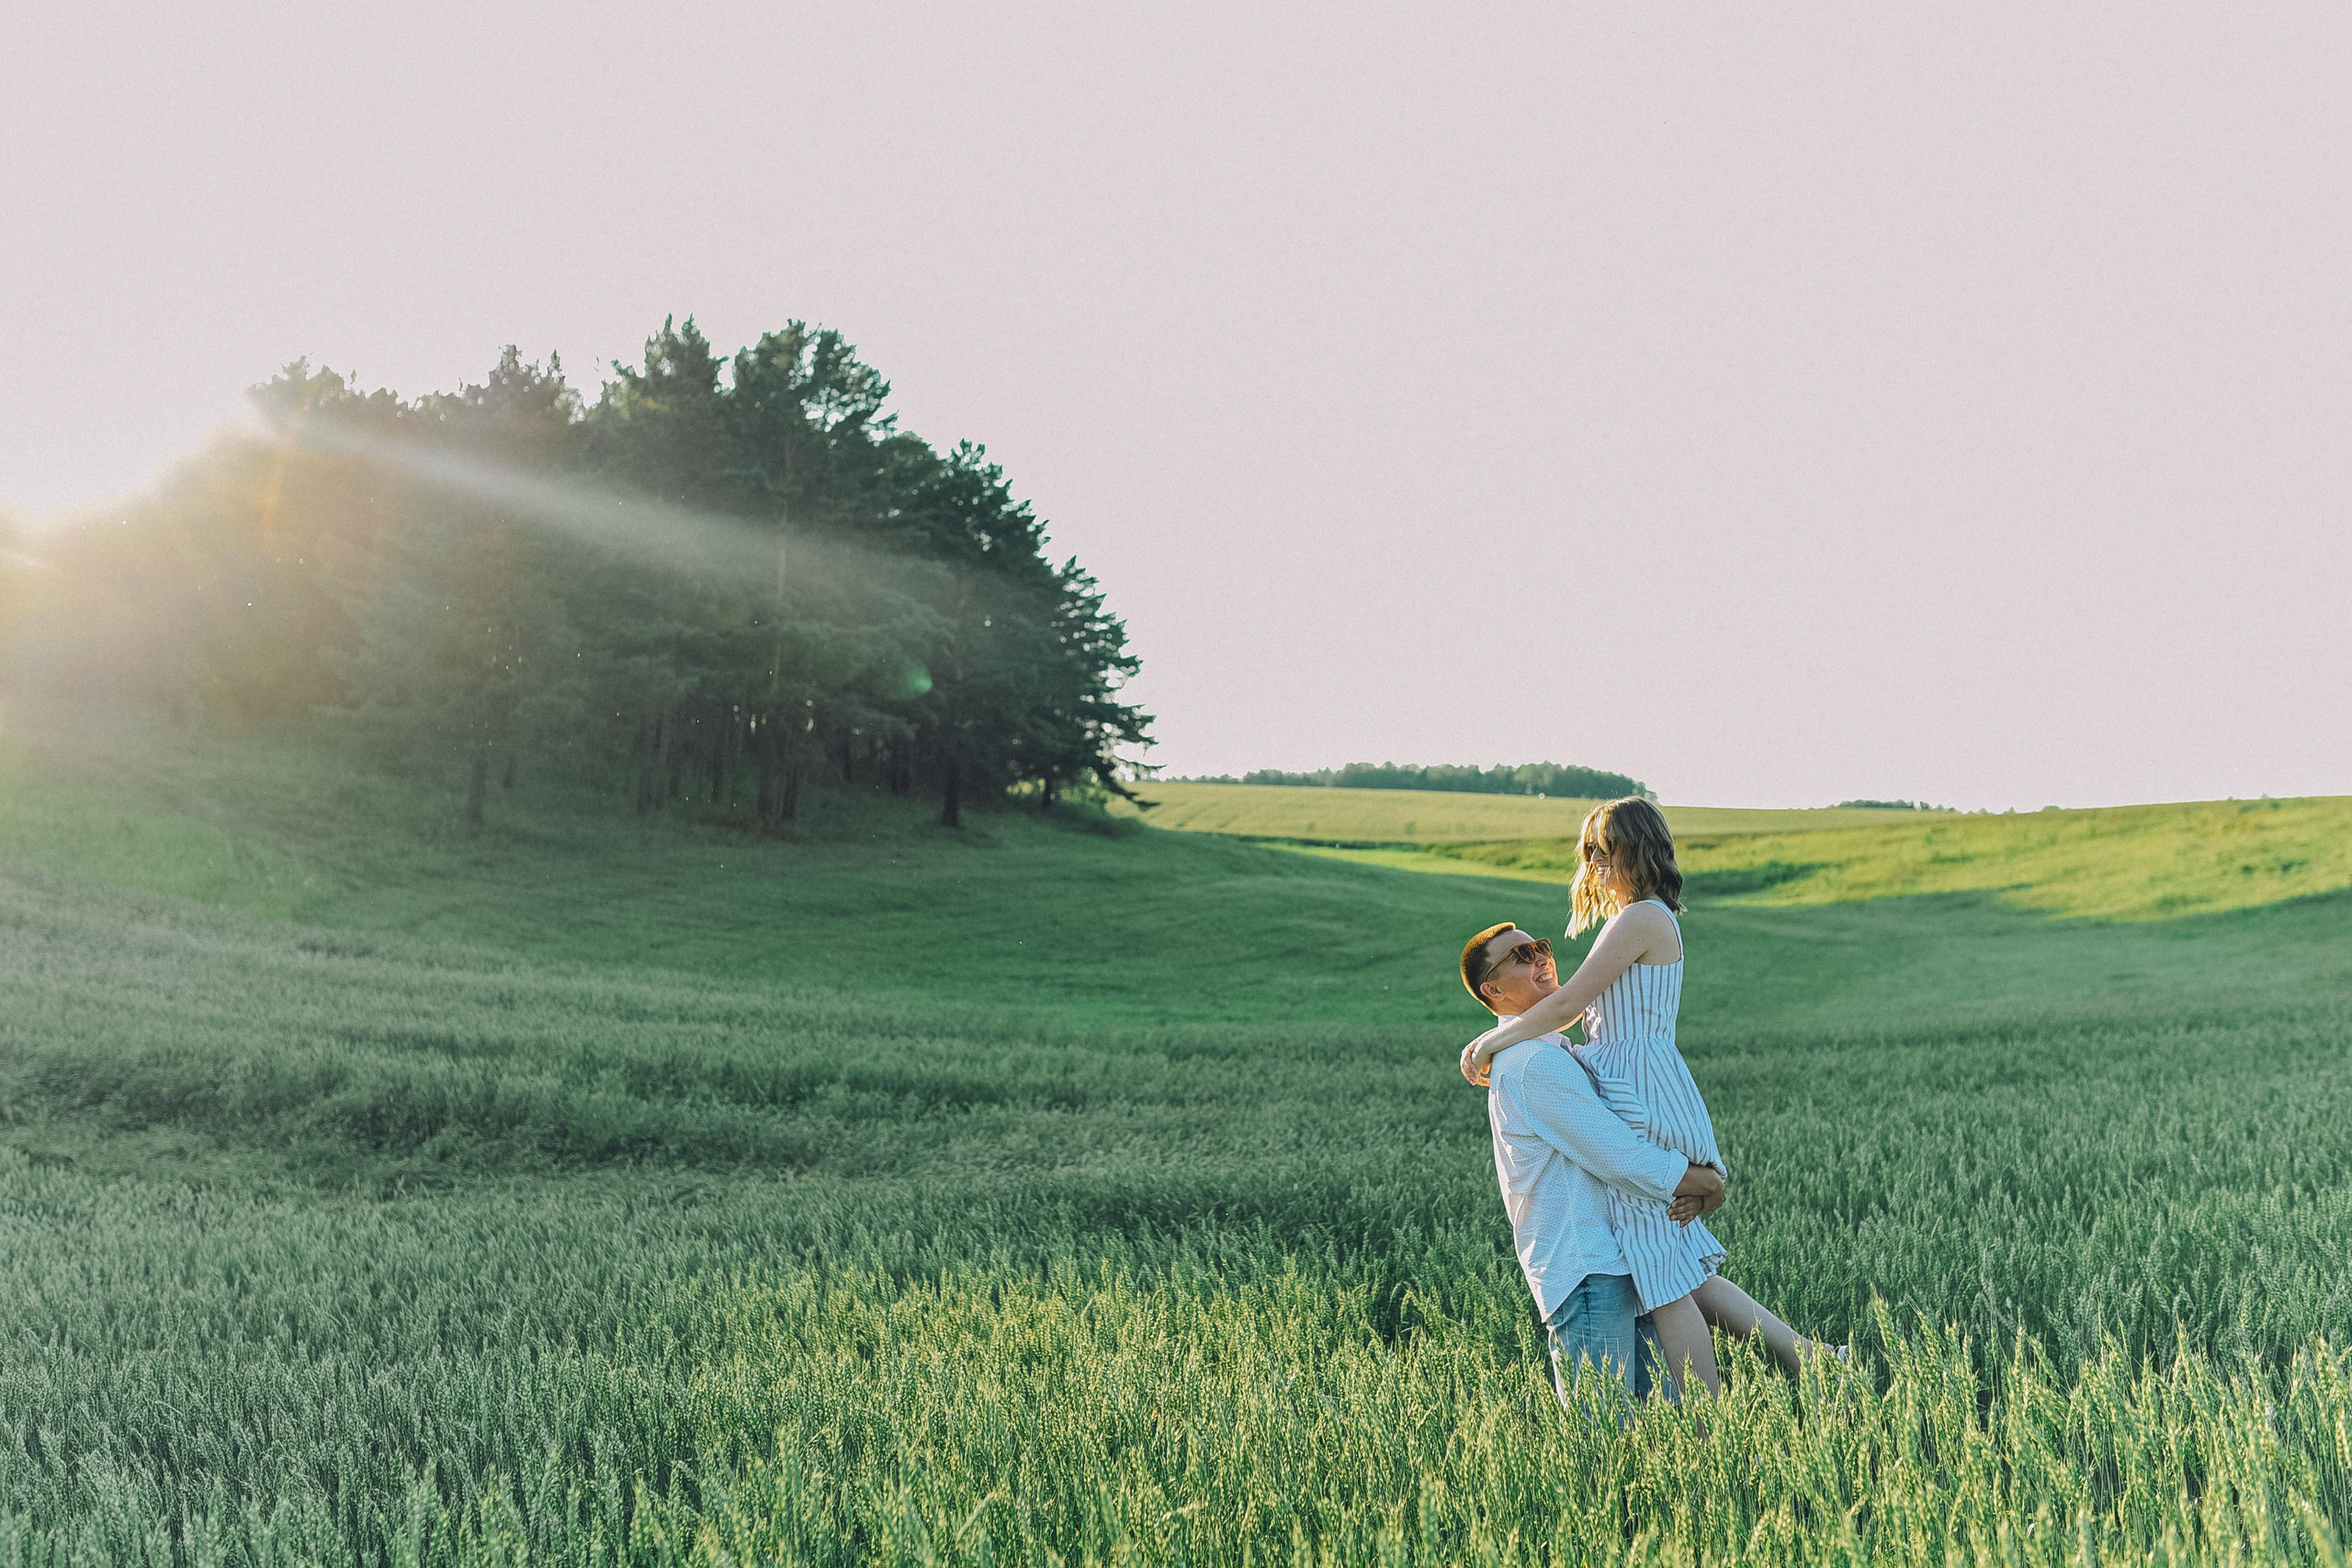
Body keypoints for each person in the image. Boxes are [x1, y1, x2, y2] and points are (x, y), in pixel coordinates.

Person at [1461, 798, 1843, 1403]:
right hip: (1638, 1083)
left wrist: (1491, 1038)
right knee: (1679, 1258)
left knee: (1661, 1275)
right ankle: (1811, 1358)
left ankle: (1706, 1422)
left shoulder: (1639, 917)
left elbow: (1565, 1006)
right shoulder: (1641, 918)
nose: (1589, 862)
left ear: (1631, 852)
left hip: (1638, 1091)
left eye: (1599, 850)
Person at [1461, 918, 1728, 1413]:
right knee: (1604, 1442)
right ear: (1492, 989)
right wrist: (1705, 1181)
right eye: (1522, 956)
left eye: (1540, 947)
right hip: (1587, 1273)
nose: (1541, 958)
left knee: (1652, 1434)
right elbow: (1620, 1157)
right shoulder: (1530, 1063)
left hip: (1618, 1263)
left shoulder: (1550, 1050)